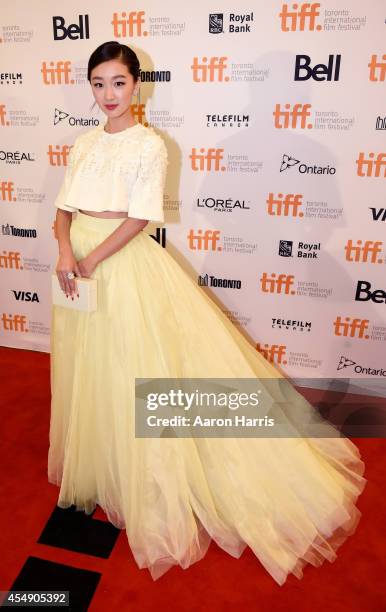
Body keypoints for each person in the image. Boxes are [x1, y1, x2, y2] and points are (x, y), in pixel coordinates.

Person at [48, 41, 367, 585]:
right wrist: (63, 252)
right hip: (75, 266)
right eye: (98, 83)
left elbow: (140, 219)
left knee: (134, 369)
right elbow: (62, 209)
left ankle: (147, 478)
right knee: (91, 368)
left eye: (118, 83)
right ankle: (102, 466)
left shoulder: (151, 145)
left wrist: (90, 260)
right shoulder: (82, 142)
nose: (108, 94)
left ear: (137, 85)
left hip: (119, 264)